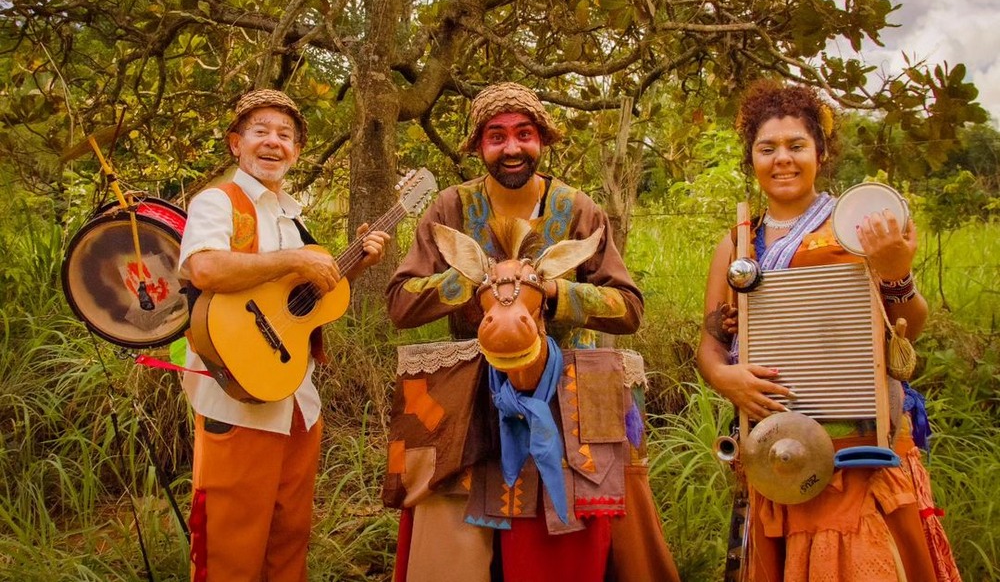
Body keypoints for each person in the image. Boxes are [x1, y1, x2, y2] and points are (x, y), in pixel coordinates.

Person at [384, 82, 680, 582]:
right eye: (496, 136)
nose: (512, 147)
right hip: (471, 397)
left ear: (542, 139)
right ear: (478, 146)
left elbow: (629, 308)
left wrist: (555, 292)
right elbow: (400, 302)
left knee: (565, 545)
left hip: (570, 398)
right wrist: (478, 281)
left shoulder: (579, 210)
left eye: (524, 133)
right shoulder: (450, 210)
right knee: (462, 543)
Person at [697, 79, 962, 581]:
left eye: (796, 145)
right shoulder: (736, 244)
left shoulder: (861, 228)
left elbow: (910, 329)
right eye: (767, 148)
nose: (782, 159)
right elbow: (711, 344)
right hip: (777, 450)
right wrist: (724, 377)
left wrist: (896, 273)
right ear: (751, 158)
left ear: (820, 152)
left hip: (861, 450)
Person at [177, 89, 389, 581]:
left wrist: (356, 262)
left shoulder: (293, 219)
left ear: (296, 151)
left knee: (288, 537)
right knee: (230, 544)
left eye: (285, 135)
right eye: (261, 131)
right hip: (236, 401)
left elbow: (305, 297)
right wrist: (293, 260)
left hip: (297, 399)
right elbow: (203, 268)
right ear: (236, 143)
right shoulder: (218, 201)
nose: (274, 142)